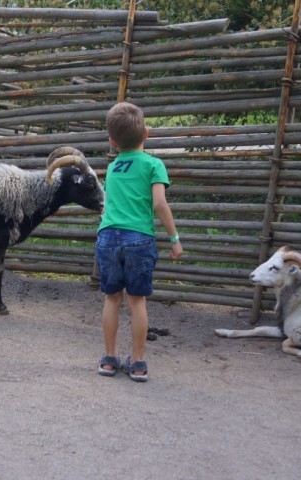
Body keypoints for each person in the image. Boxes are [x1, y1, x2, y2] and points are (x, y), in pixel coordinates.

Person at [95, 102, 183, 382]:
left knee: (112, 298)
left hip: (107, 237)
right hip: (139, 239)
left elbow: (108, 206)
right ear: (147, 134)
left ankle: (110, 359)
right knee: (137, 301)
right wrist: (174, 238)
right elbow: (159, 203)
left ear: (112, 142)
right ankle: (138, 363)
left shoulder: (111, 169)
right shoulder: (154, 165)